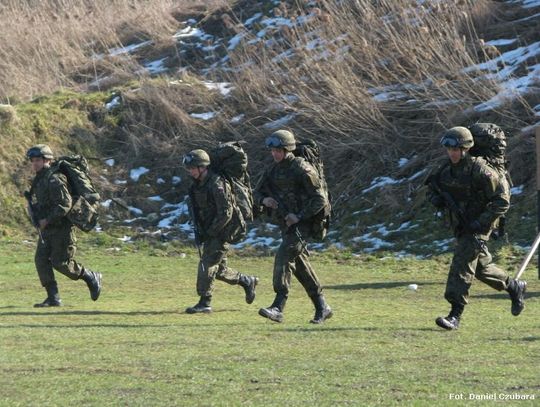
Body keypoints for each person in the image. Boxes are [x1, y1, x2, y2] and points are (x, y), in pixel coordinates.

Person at [426, 127, 526, 330]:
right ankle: (513, 286)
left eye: (457, 149)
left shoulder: (481, 170)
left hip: (479, 226)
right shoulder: (445, 170)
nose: (452, 153)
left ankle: (455, 315)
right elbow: (431, 188)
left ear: (467, 149)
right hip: (461, 224)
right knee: (480, 268)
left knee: (461, 264)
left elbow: (501, 201)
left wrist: (481, 223)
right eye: (449, 149)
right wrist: (436, 199)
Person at [254, 130, 332, 324]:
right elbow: (256, 192)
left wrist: (299, 216)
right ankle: (322, 307)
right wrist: (265, 199)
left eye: (278, 150)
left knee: (283, 256)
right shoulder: (273, 169)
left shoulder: (303, 169)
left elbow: (320, 199)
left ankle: (278, 306)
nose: (274, 154)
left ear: (288, 149)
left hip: (304, 224)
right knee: (299, 265)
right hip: (286, 224)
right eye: (272, 150)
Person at [25, 144, 102, 307]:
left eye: (38, 160)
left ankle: (90, 276)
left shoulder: (55, 178)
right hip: (48, 228)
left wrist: (47, 220)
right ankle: (53, 297)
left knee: (61, 263)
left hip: (62, 228)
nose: (35, 164)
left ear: (48, 160)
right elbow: (45, 202)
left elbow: (65, 204)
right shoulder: (40, 179)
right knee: (41, 260)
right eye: (33, 161)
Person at [183, 149, 258, 314]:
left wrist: (212, 231)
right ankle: (247, 281)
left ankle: (205, 302)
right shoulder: (197, 184)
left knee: (207, 264)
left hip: (223, 230)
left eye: (192, 167)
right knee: (220, 270)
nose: (190, 171)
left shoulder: (217, 183)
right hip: (210, 230)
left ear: (202, 167)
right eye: (189, 168)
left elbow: (226, 212)